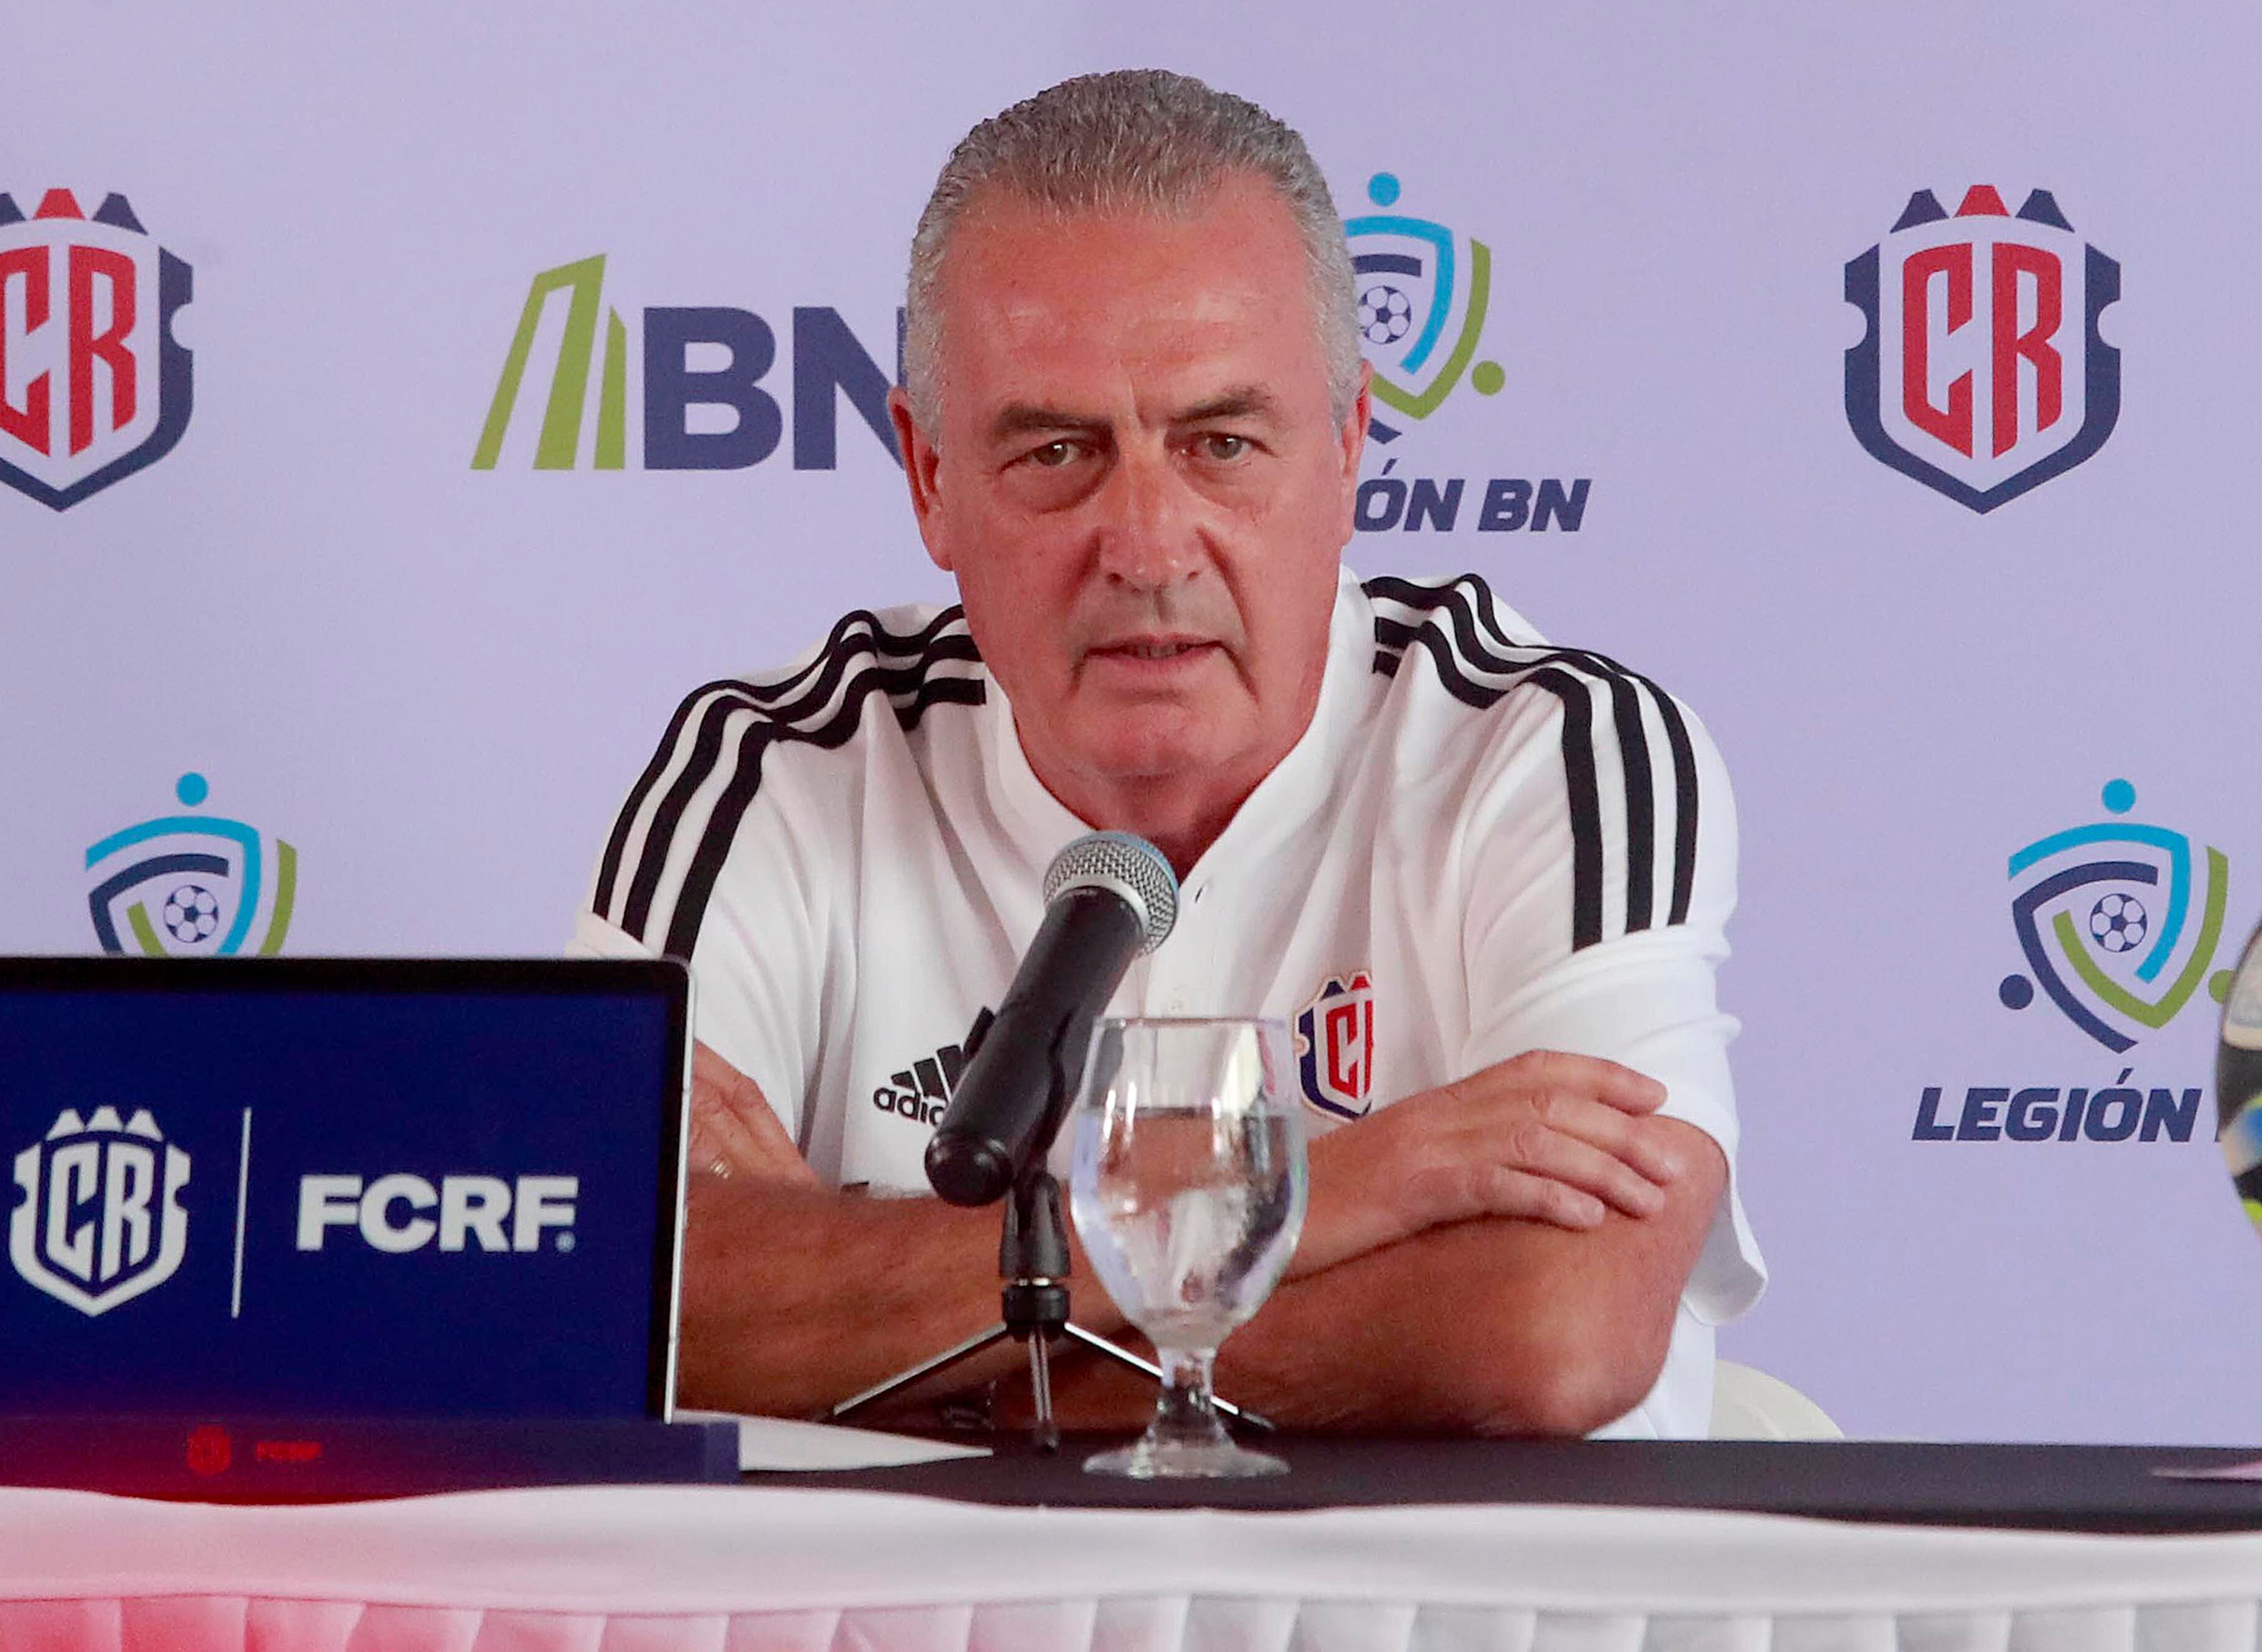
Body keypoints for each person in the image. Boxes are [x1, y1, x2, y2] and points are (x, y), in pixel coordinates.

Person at [572, 69, 1763, 1436]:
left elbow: (1544, 1338)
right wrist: (1339, 1187)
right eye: (1057, 452)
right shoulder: (774, 768)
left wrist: (872, 1318)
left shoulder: (1553, 753)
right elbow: (606, 1303)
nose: (1144, 547)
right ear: (928, 479)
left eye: (1219, 442)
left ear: (1347, 446)